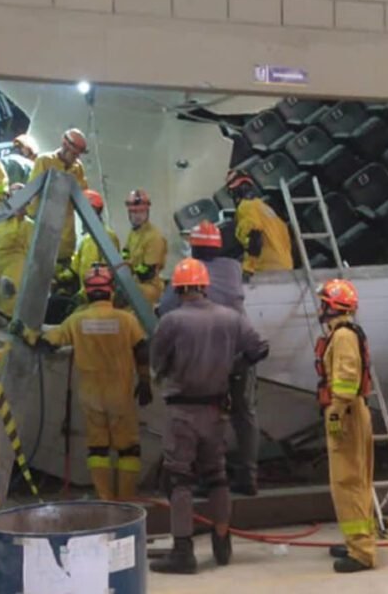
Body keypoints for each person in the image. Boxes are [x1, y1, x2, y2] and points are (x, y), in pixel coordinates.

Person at [149, 258, 269, 574]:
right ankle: (221, 542)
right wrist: (233, 367)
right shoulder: (231, 318)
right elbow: (259, 349)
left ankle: (183, 551)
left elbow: (157, 364)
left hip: (182, 410)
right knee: (217, 477)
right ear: (204, 286)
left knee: (179, 480)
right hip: (217, 410)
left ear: (178, 289)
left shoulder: (171, 322)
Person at [12, 265, 151, 501]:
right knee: (128, 450)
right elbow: (142, 351)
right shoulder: (127, 320)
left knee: (98, 449)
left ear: (87, 292)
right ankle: (127, 502)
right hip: (121, 395)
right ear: (111, 291)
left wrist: (24, 332)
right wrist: (145, 382)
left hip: (91, 396)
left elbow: (47, 344)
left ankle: (105, 499)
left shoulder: (76, 321)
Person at [158, 221, 260, 495]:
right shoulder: (233, 268)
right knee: (244, 413)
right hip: (240, 353)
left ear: (193, 245)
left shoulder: (191, 270)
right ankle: (248, 478)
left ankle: (210, 477)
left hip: (208, 357)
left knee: (206, 414)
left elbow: (165, 308)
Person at [314, 278, 376, 573]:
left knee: (346, 481)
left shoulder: (342, 336)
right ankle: (360, 541)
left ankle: (361, 551)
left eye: (323, 302)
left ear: (331, 306)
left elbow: (346, 380)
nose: (320, 307)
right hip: (354, 412)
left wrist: (335, 414)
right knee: (358, 480)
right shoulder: (346, 333)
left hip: (346, 414)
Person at [26, 128, 89, 265]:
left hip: (65, 240)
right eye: (74, 154)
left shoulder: (77, 168)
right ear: (65, 146)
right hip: (42, 235)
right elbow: (32, 195)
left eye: (78, 155)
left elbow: (83, 197)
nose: (76, 158)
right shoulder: (45, 161)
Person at [227, 171, 292, 281]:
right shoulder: (266, 209)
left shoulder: (246, 207)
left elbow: (255, 237)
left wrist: (248, 268)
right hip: (286, 266)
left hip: (267, 268)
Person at [69, 189, 120, 298]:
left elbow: (108, 273)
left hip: (101, 297)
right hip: (86, 294)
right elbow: (75, 268)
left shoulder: (106, 237)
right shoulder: (86, 239)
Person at [123, 189, 168, 306]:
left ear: (147, 212)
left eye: (141, 212)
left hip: (150, 287)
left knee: (120, 295)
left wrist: (128, 267)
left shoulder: (154, 237)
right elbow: (125, 252)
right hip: (136, 283)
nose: (137, 216)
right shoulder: (133, 233)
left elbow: (147, 272)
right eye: (134, 212)